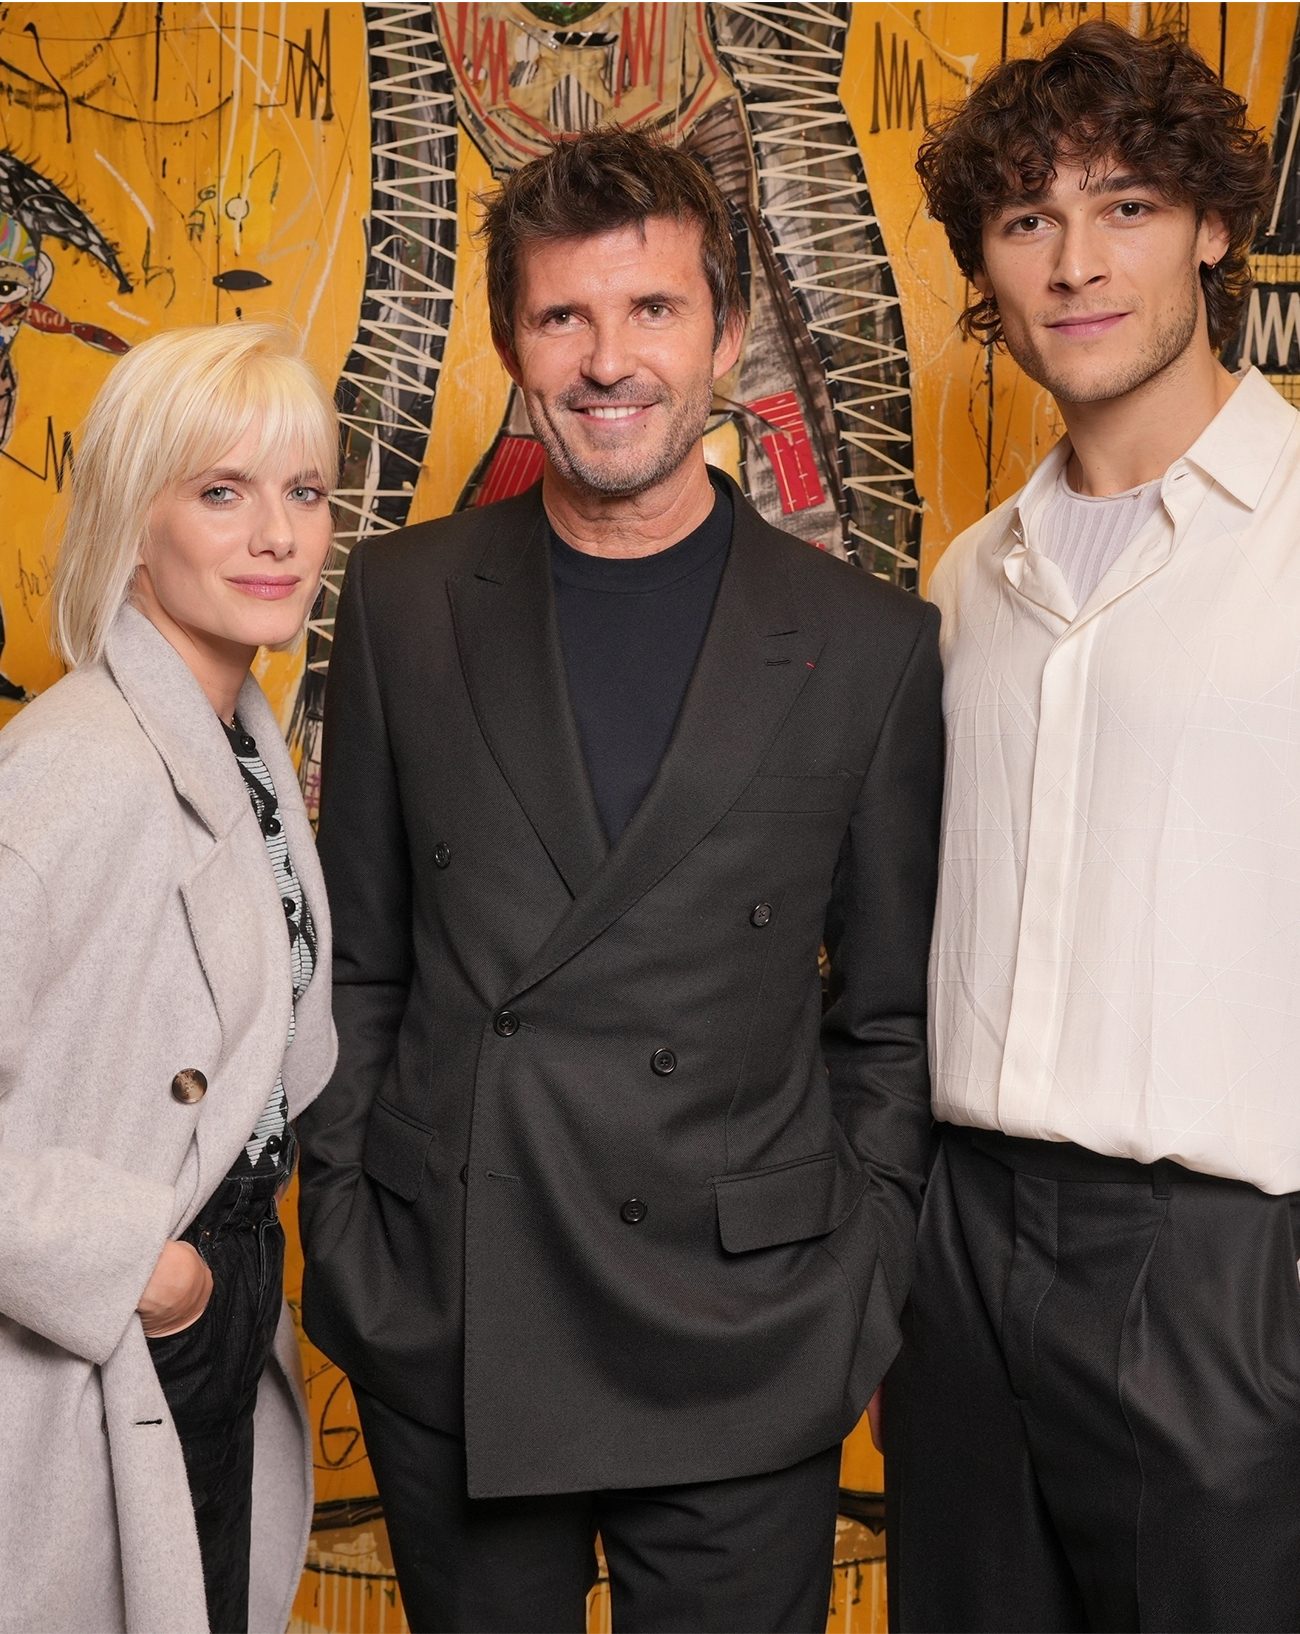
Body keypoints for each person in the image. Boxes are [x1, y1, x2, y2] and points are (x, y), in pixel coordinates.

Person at [298, 127, 943, 1634]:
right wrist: (355, 1233)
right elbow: (361, 962)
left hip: (745, 1323)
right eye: (564, 316)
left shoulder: (869, 644)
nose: (609, 359)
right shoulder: (403, 599)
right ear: (511, 341)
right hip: (465, 1303)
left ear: (727, 333)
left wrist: (854, 1279)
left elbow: (894, 1020)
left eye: (651, 310)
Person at [886, 21, 1298, 1633]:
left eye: (1123, 207)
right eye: (1026, 221)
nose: (1074, 263)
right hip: (964, 1254)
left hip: (1229, 1267)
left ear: (1211, 225)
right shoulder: (962, 582)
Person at [0, 323, 337, 1634]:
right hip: (120, 1308)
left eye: (301, 492)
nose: (277, 535)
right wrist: (146, 1271)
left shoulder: (238, 738)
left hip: (223, 1284)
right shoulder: (75, 769)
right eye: (221, 490)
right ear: (135, 521)